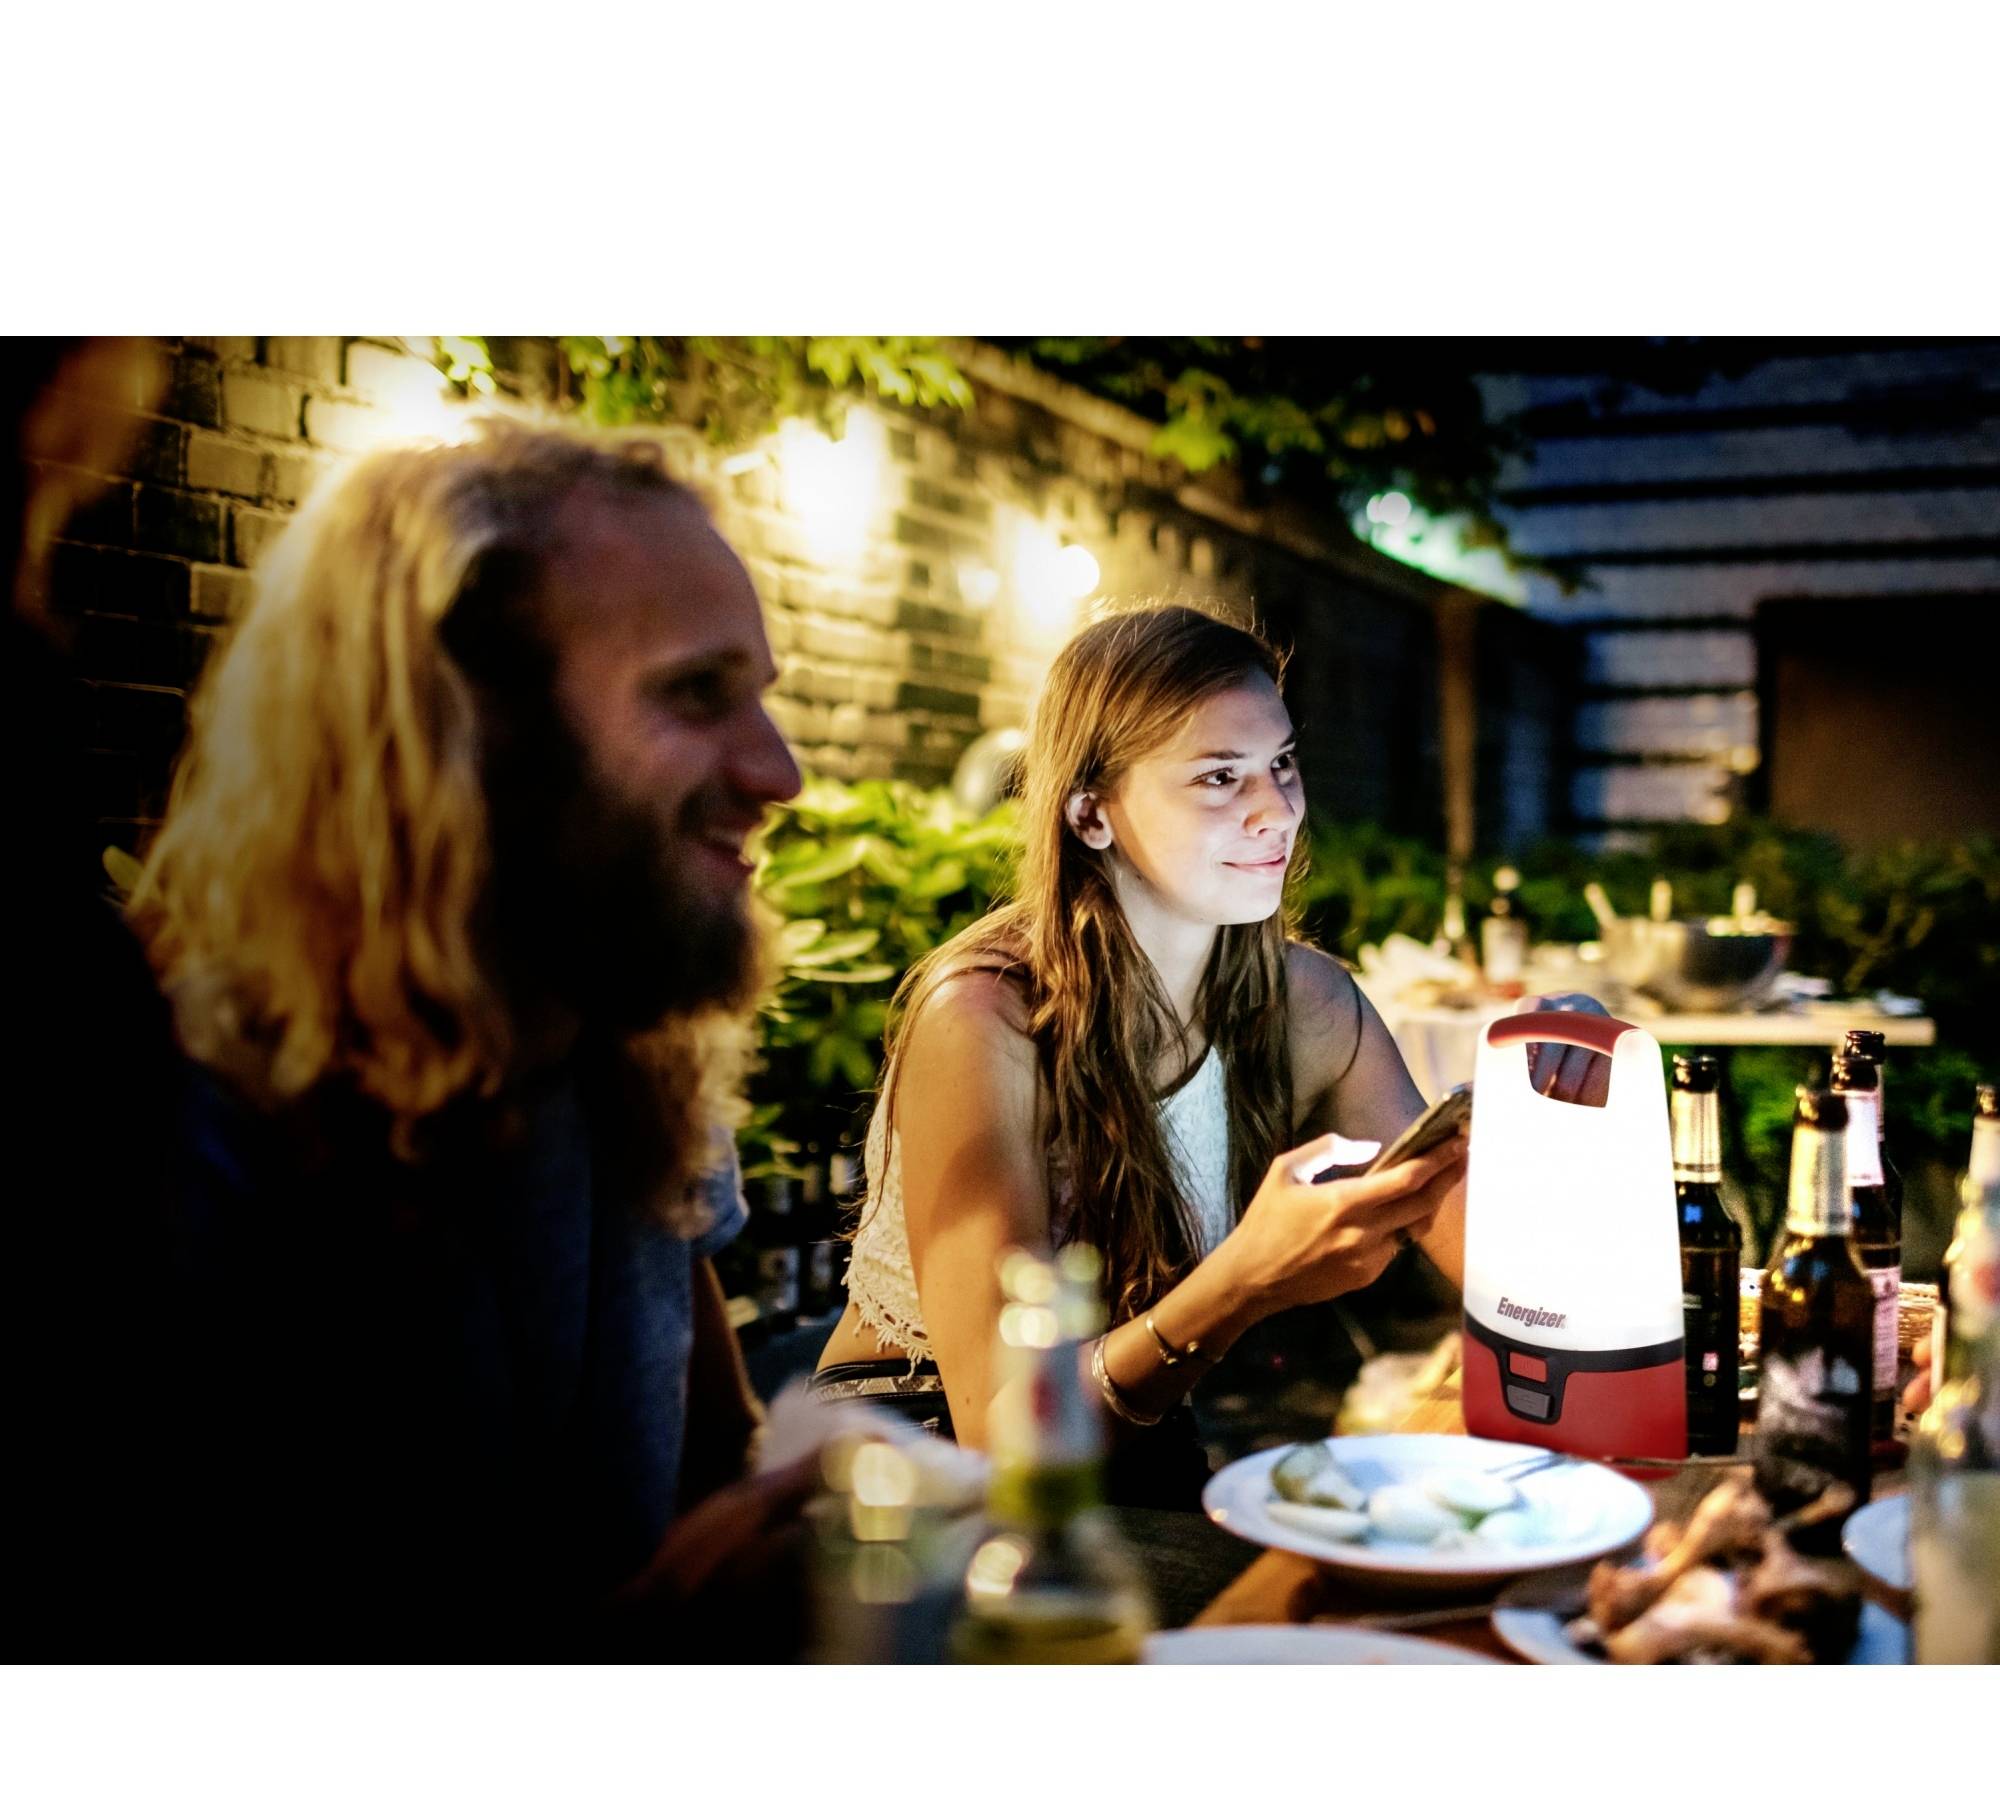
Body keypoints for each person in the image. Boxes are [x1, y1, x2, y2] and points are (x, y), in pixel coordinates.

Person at [16, 407, 816, 1654]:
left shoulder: (630, 1056)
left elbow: (715, 1464)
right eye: (695, 693)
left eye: (757, 695)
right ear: (463, 726)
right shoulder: (169, 1134)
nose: (779, 771)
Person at [809, 605, 1607, 1504]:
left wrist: (1557, 1116)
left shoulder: (1303, 1000)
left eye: (1281, 764)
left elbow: (1513, 1284)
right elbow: (1001, 1433)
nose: (1277, 811)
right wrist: (1242, 1284)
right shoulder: (987, 1015)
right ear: (1091, 813)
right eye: (1220, 777)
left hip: (1130, 1435)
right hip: (914, 1462)